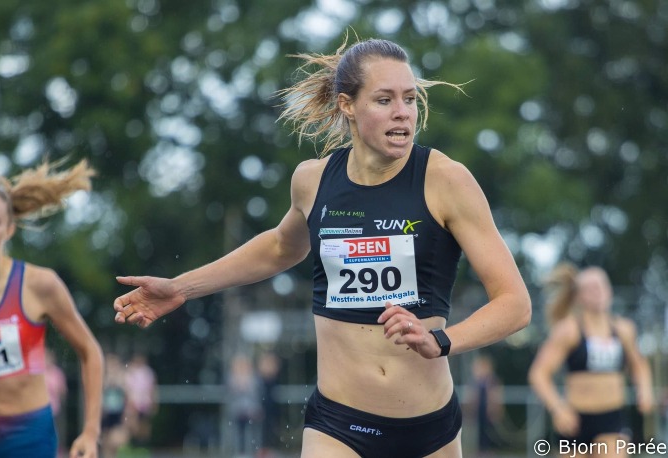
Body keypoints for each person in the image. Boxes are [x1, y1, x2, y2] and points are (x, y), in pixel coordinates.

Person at [113, 36, 531, 458]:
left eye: (409, 98)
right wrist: (181, 288)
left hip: (428, 432)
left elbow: (515, 304)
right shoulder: (313, 181)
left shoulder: (446, 180)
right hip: (337, 426)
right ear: (348, 105)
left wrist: (441, 339)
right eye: (384, 100)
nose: (403, 112)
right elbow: (279, 247)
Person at [0, 159, 104, 458]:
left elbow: (90, 351)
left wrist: (90, 432)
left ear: (9, 229)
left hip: (28, 436)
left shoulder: (39, 285)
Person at [528, 263, 653, 457]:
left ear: (610, 290)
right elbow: (539, 374)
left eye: (602, 285)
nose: (598, 291)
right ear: (579, 296)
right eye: (591, 288)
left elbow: (638, 364)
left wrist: (644, 389)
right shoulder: (568, 331)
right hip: (575, 420)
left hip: (611, 418)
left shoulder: (623, 329)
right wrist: (558, 408)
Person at [466, 353, 504, 457]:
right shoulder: (475, 381)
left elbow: (496, 396)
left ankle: (488, 450)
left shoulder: (492, 380)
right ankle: (480, 451)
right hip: (479, 410)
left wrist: (495, 409)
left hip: (488, 411)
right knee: (479, 431)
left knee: (489, 431)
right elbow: (472, 396)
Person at [123, 351, 158, 447]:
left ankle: (142, 445)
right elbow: (127, 389)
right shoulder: (130, 372)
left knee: (144, 426)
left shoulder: (148, 372)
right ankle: (132, 445)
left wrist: (153, 402)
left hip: (144, 403)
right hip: (133, 403)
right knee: (132, 425)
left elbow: (152, 388)